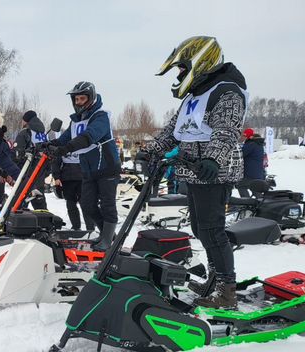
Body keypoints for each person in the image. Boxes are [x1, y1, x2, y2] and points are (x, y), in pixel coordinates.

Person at [143, 36, 248, 309]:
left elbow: (227, 129)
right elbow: (174, 130)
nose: (179, 75)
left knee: (212, 230)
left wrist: (213, 159)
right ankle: (215, 280)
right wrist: (153, 150)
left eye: (181, 69)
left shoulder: (227, 91)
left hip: (215, 171)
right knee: (199, 228)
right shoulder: (195, 95)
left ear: (200, 62)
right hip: (193, 171)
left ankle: (227, 291)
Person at [46, 81, 121, 251]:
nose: (79, 102)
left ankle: (108, 239)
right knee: (87, 204)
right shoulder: (76, 121)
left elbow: (89, 136)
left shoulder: (100, 116)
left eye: (82, 98)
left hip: (107, 168)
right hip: (88, 170)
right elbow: (64, 139)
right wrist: (47, 145)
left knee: (108, 204)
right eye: (76, 99)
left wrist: (66, 149)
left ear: (91, 98)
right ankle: (106, 234)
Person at [51, 148, 95, 232]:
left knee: (85, 204)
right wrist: (56, 177)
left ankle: (90, 227)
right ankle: (76, 226)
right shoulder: (63, 144)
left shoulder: (84, 143)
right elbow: (56, 162)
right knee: (71, 204)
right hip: (68, 178)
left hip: (83, 178)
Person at [14, 110, 49, 209]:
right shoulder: (44, 134)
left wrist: (16, 170)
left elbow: (18, 154)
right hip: (40, 171)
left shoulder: (25, 132)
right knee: (39, 199)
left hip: (27, 171)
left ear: (26, 121)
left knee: (20, 200)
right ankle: (44, 221)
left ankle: (19, 220)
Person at [237, 128, 266, 197]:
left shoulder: (251, 144)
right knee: (255, 189)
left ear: (250, 136)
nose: (244, 138)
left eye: (245, 136)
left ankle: (247, 203)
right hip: (257, 173)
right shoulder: (258, 144)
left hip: (250, 173)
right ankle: (262, 204)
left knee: (240, 186)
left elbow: (241, 154)